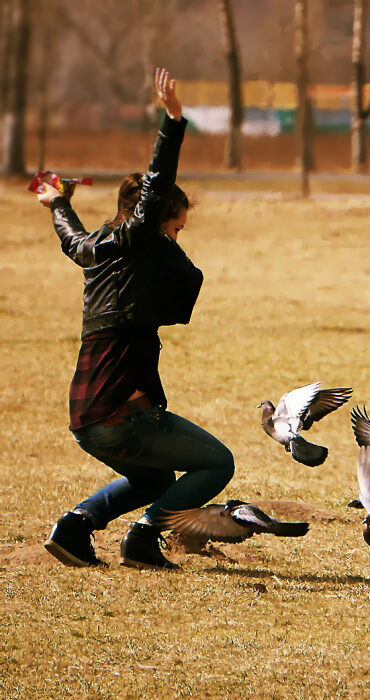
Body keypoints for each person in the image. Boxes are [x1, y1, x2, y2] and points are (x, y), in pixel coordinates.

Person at [36, 68, 234, 570]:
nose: (177, 239)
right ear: (151, 221)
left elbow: (71, 238)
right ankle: (144, 537)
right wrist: (172, 121)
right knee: (218, 463)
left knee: (155, 481)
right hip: (124, 417)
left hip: (85, 417)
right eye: (175, 227)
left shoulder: (98, 249)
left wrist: (58, 199)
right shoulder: (140, 237)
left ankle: (74, 528)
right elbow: (157, 186)